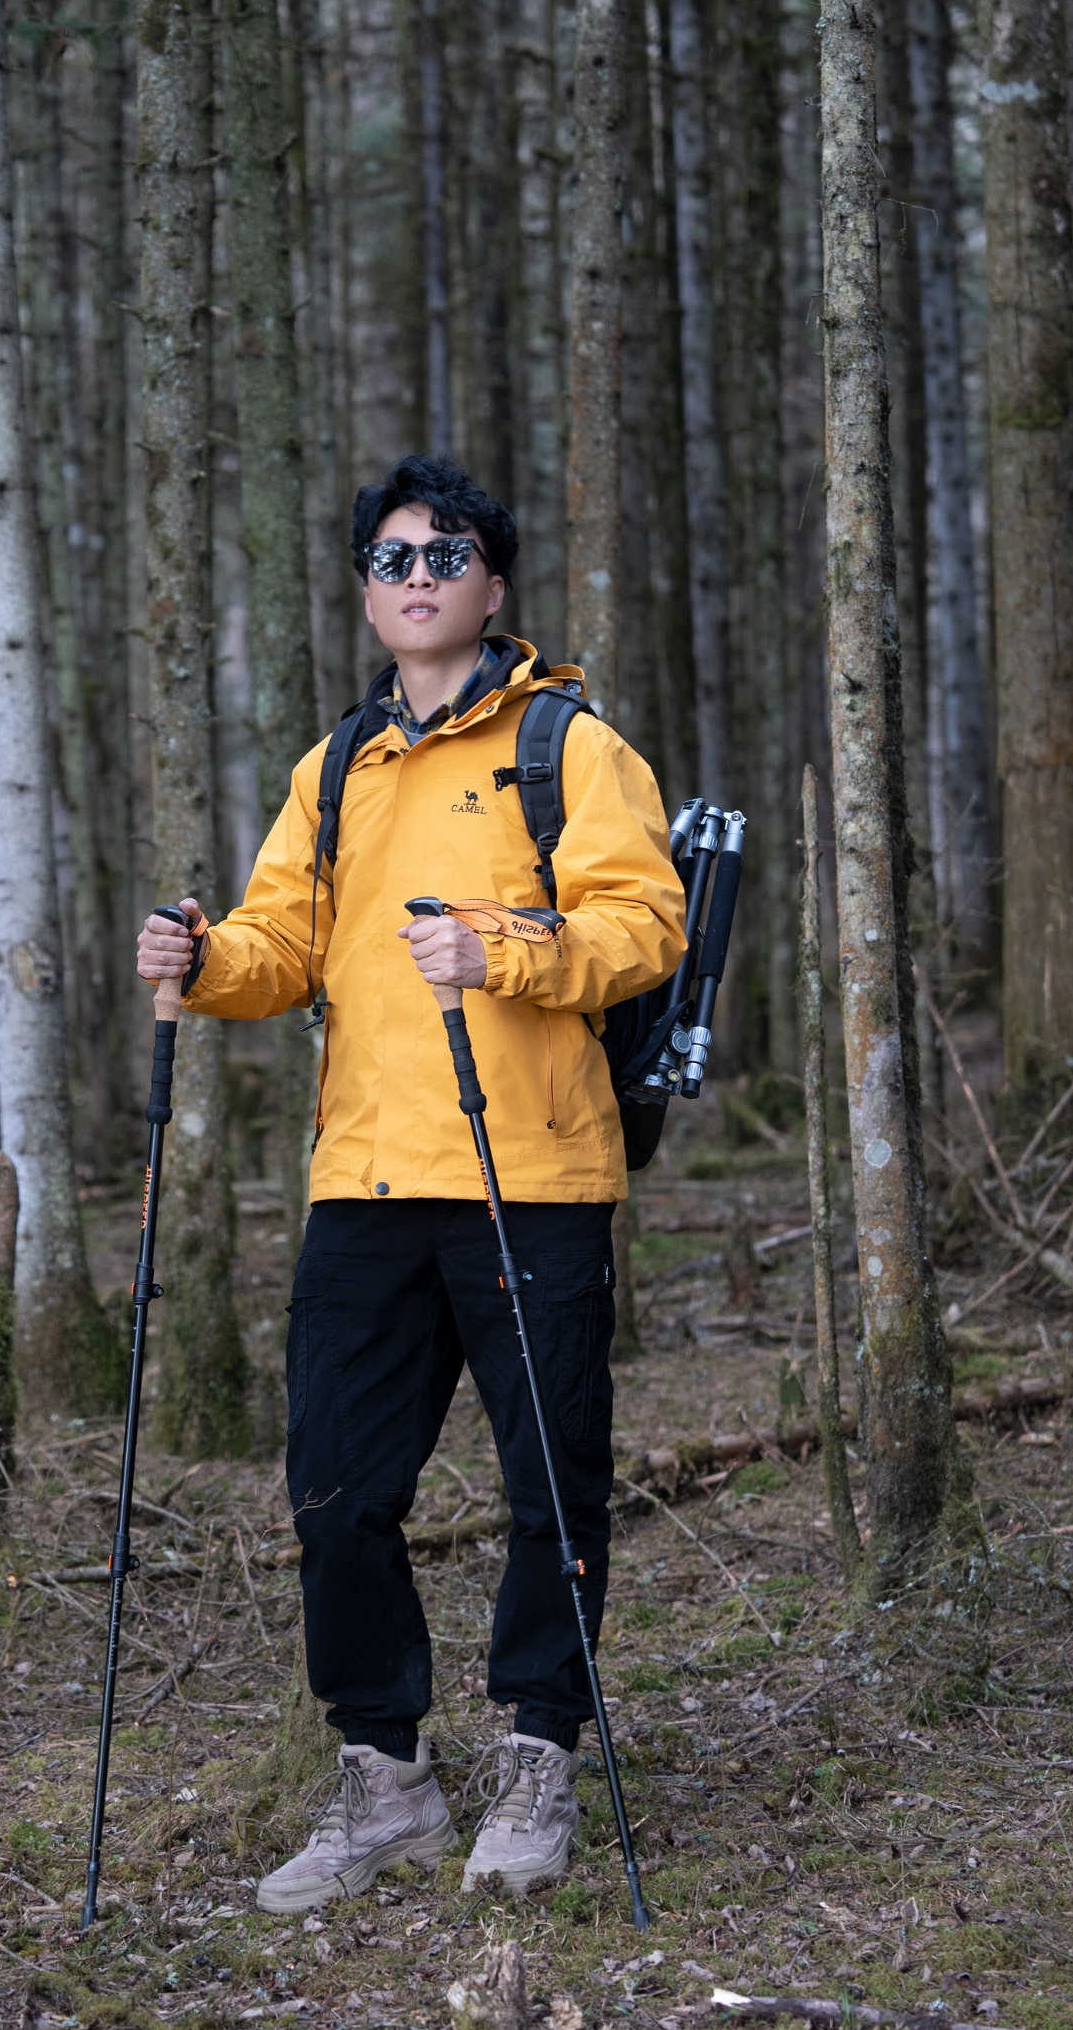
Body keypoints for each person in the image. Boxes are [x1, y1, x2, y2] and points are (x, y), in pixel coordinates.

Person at [136, 454, 685, 1911]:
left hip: (535, 1174)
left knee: (549, 1486)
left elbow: (643, 925)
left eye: (446, 552)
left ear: (494, 584)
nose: (418, 575)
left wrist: (507, 946)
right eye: (391, 558)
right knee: (335, 1490)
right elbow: (282, 946)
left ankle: (536, 1754)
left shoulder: (569, 745)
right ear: (370, 592)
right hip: (367, 1184)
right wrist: (203, 962)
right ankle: (384, 1777)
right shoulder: (339, 770)